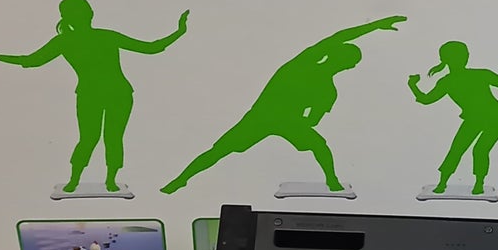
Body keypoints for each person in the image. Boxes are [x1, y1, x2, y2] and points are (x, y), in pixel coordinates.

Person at [161, 16, 404, 194]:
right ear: (343, 62)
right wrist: (374, 26)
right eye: (349, 62)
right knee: (220, 150)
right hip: (263, 117)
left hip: (280, 120)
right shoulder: (307, 67)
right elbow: (337, 38)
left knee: (318, 146)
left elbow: (313, 120)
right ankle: (181, 180)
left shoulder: (323, 86)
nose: (348, 66)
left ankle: (332, 181)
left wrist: (301, 124)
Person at [0, 0, 189, 193]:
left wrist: (180, 31)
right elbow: (30, 61)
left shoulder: (95, 37)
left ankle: (105, 180)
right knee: (96, 138)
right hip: (96, 94)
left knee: (106, 138)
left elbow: (151, 48)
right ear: (85, 15)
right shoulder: (69, 41)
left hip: (115, 94)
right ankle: (79, 180)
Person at [408, 41, 498, 196]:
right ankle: (442, 183)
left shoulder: (480, 75)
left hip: (496, 117)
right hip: (474, 118)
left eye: (463, 55)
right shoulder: (447, 82)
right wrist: (412, 85)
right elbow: (426, 100)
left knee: (480, 150)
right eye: (460, 56)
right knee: (457, 149)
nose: (464, 58)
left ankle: (479, 184)